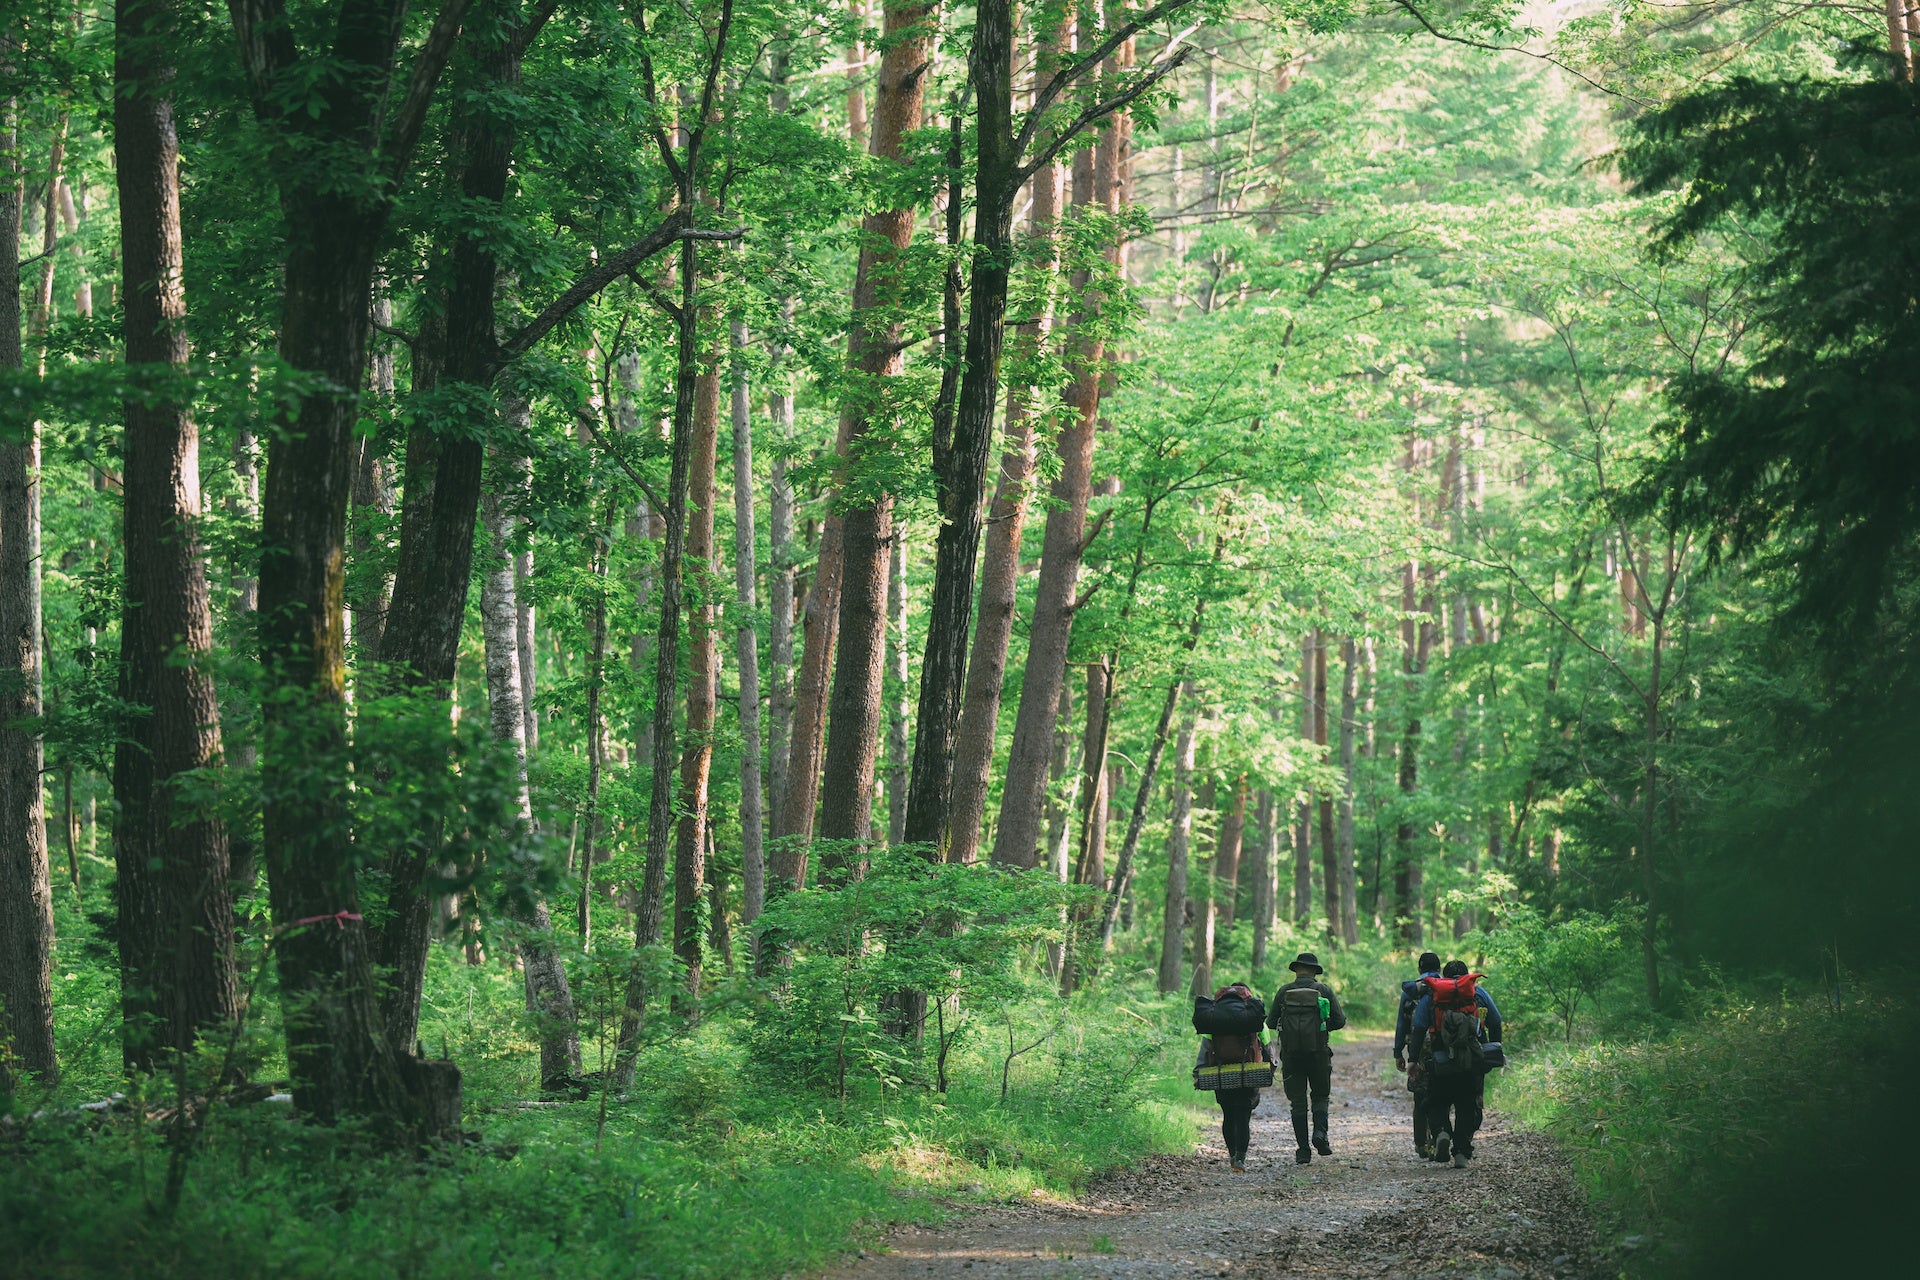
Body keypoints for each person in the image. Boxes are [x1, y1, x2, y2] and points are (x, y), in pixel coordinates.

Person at [1411, 959, 1504, 1167]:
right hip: (1472, 1060)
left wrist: (1412, 1059)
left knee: (1436, 1101)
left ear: (1444, 977)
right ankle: (1462, 1150)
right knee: (1468, 1104)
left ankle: (1442, 1132)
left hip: (1440, 1059)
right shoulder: (1477, 993)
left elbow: (1418, 1027)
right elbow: (1495, 1021)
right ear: (1466, 976)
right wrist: (1492, 1048)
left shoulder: (1433, 994)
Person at [1266, 952, 1347, 1165]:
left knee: (1298, 1103)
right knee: (1320, 1096)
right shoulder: (1323, 990)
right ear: (1314, 971)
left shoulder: (1284, 991)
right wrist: (1322, 1027)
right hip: (1318, 1054)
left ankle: (1303, 1150)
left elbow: (1271, 1022)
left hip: (1291, 1055)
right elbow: (1339, 1021)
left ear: (1296, 970)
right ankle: (1320, 1133)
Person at [1196, 982, 1271, 1172]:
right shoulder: (1254, 1018)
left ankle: (1232, 1155)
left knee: (1228, 1115)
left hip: (1221, 1073)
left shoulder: (1215, 1019)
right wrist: (1270, 1069)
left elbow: (1205, 1049)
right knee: (1243, 1116)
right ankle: (1240, 1158)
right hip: (1248, 1072)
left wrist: (1198, 1072)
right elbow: (1267, 1048)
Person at [1394, 950, 1444, 1160]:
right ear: (1439, 968)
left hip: (1419, 1048)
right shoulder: (1446, 987)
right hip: (1443, 1046)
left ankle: (1421, 1144)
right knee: (1441, 1093)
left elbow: (1402, 1023)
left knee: (1420, 1095)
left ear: (1419, 968)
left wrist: (1398, 1052)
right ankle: (1440, 1136)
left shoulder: (1412, 990)